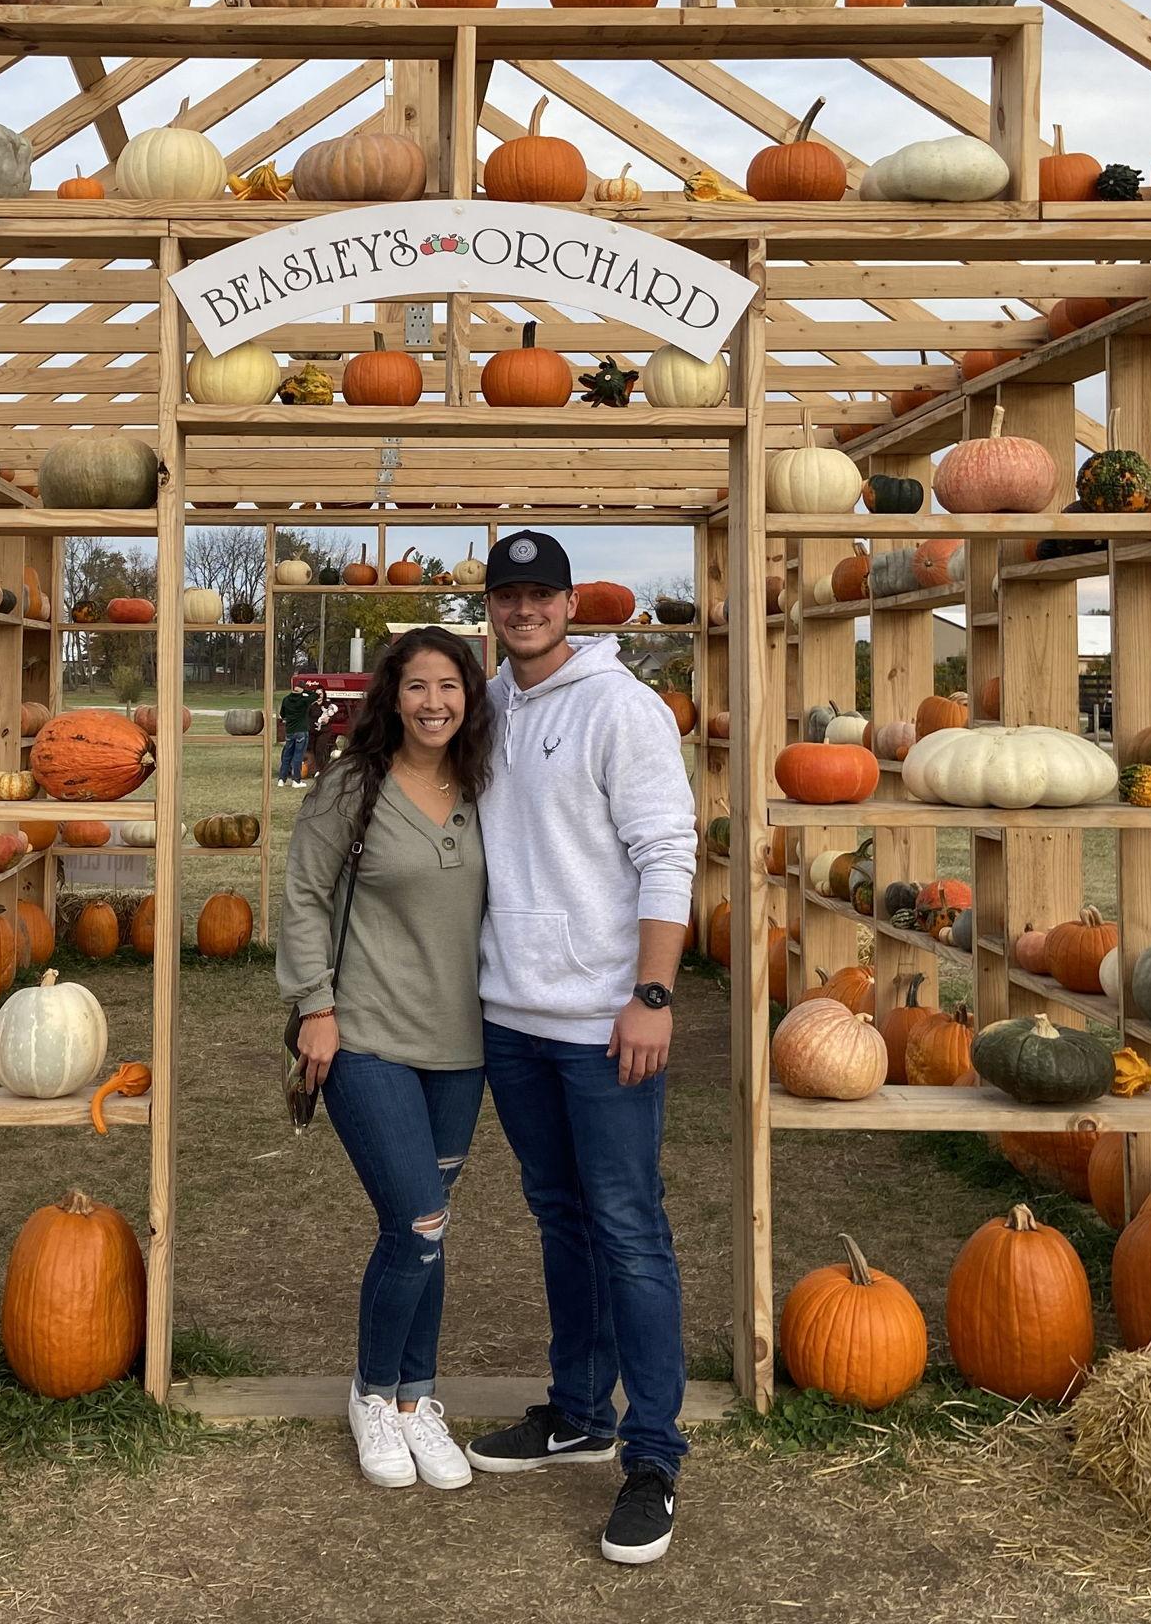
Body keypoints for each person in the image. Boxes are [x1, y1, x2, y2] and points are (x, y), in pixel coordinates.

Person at [461, 531, 698, 1568]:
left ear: (570, 604)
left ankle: (652, 1457)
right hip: (511, 1016)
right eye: (506, 595)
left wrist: (651, 994)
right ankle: (577, 1410)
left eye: (540, 594)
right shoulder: (487, 705)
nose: (524, 610)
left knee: (629, 1229)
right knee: (559, 1217)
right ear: (491, 608)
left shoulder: (622, 708)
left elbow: (668, 852)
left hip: (605, 1024)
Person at [277, 627, 492, 1492]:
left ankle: (415, 1400)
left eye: (449, 686)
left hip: (462, 1046)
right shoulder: (352, 786)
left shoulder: (485, 786)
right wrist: (315, 1007)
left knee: (431, 1227)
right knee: (418, 1221)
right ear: (391, 698)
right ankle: (372, 1393)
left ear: (469, 696)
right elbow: (303, 893)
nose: (434, 703)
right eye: (416, 687)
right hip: (365, 1036)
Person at [276, 677, 322, 787]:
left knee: (287, 755)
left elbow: (282, 714)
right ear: (302, 689)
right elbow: (316, 696)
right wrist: (305, 691)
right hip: (301, 731)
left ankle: (281, 779)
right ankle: (296, 780)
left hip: (290, 731)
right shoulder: (303, 700)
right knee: (298, 756)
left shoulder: (286, 699)